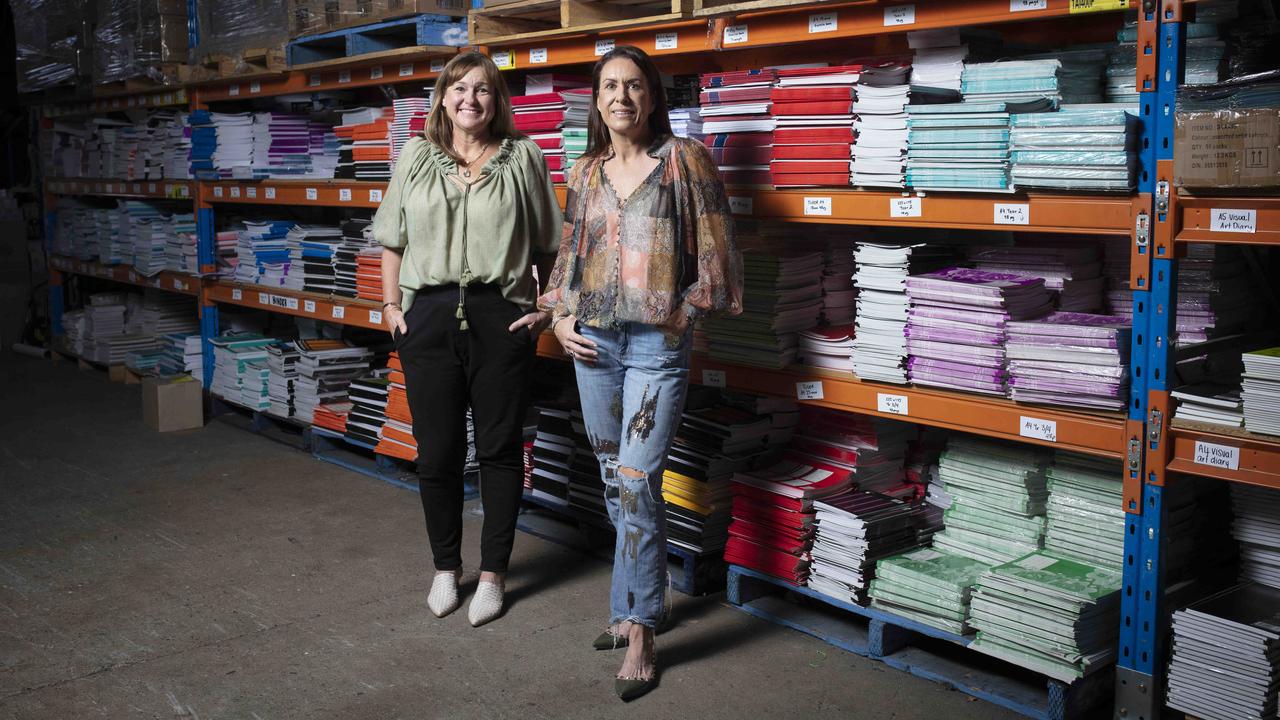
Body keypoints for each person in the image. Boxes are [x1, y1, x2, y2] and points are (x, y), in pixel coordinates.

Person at [539, 45, 743, 701]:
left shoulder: (685, 162)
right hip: (592, 344)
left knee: (635, 478)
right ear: (597, 101)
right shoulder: (585, 172)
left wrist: (675, 322)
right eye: (609, 87)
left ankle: (641, 632)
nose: (621, 96)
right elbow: (566, 264)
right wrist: (561, 320)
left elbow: (717, 268)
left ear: (652, 97)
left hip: (656, 348)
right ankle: (629, 604)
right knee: (611, 476)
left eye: (633, 86)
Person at [373, 51, 561, 627]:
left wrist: (547, 306)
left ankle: (495, 574)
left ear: (496, 99)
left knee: (501, 449)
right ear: (443, 98)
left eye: (481, 90)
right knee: (438, 451)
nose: (469, 99)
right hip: (426, 319)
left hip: (500, 318)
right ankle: (445, 567)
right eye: (459, 89)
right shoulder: (415, 156)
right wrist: (390, 308)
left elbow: (550, 244)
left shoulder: (523, 156)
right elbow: (392, 240)